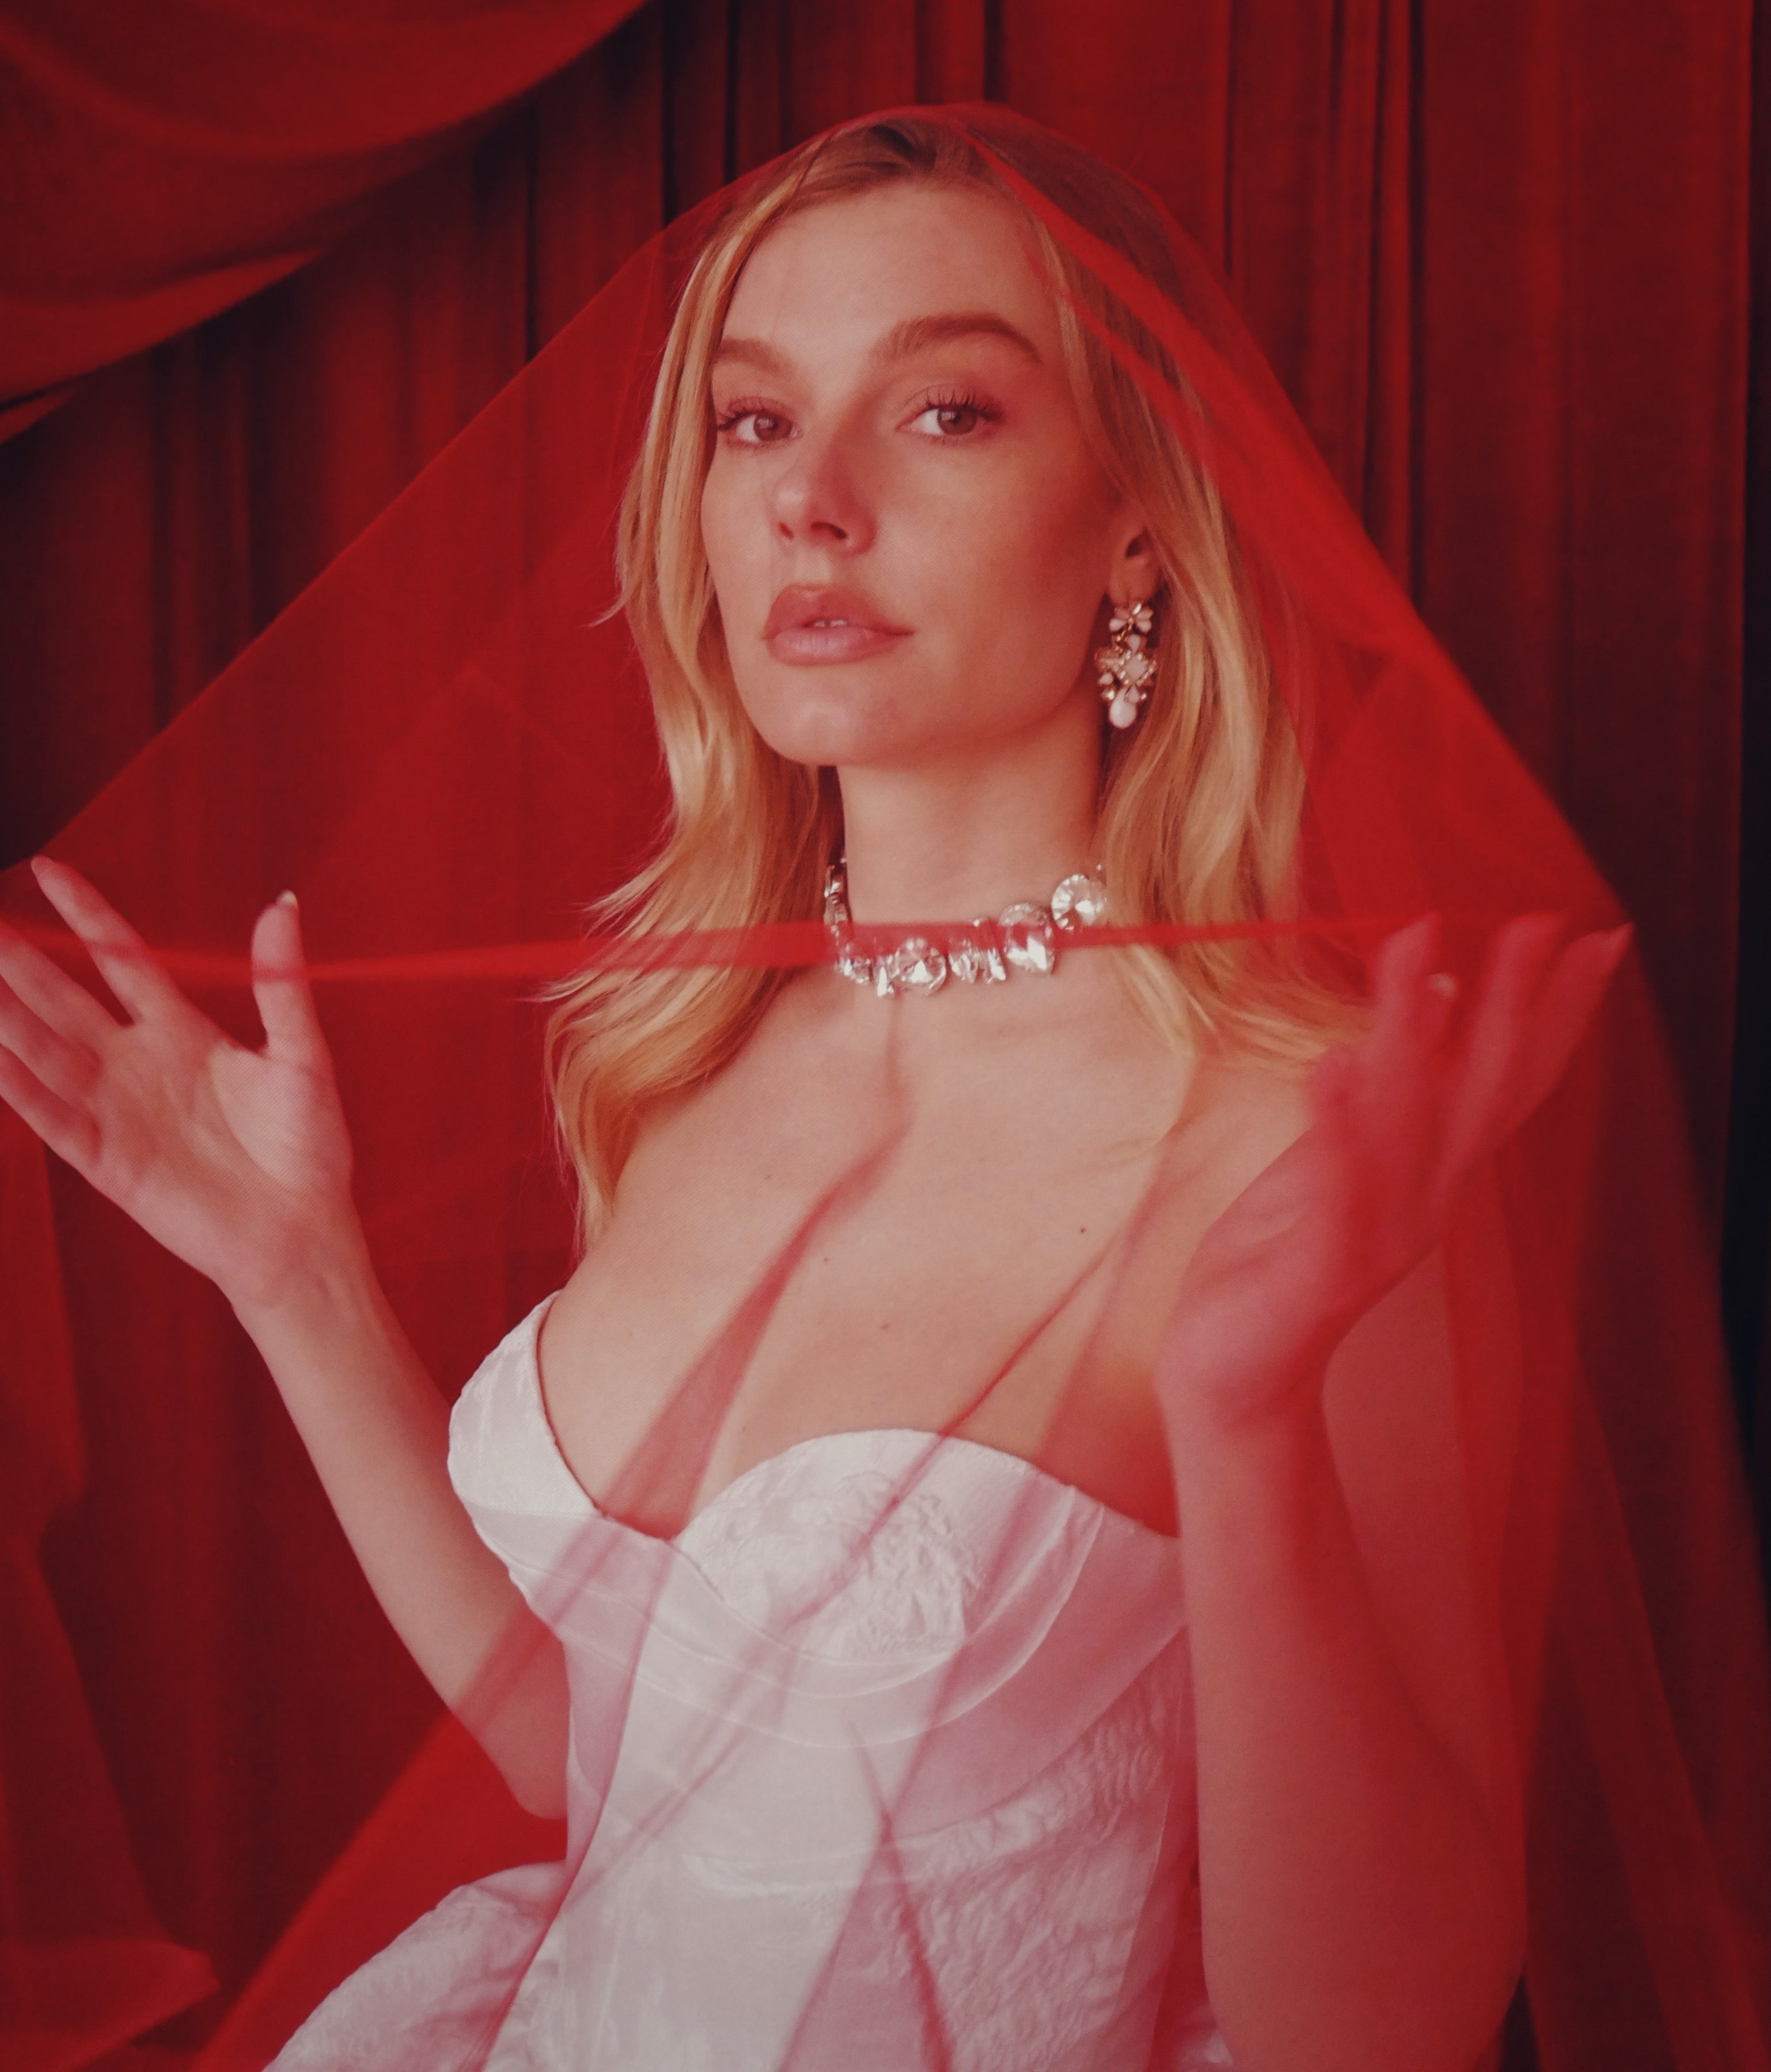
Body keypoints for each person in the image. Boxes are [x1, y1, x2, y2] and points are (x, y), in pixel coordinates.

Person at [0, 111, 1757, 2072]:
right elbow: (602, 1766)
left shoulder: (1303, 1129)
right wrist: (298, 1283)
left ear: (1137, 525)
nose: (808, 505)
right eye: (753, 422)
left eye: (943, 414)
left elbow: (1384, 2034)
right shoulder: (673, 1054)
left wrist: (1246, 1409)